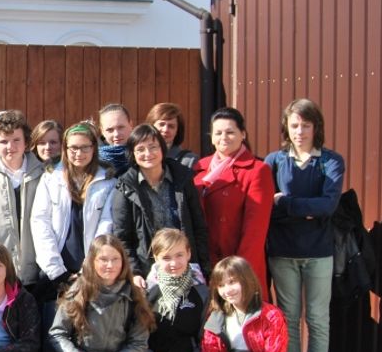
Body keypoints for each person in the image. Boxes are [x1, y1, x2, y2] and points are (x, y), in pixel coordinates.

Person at [264, 98, 344, 352]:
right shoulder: (274, 161)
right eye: (294, 125)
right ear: (286, 127)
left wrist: (286, 203)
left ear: (316, 127)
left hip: (319, 253)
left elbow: (328, 206)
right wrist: (300, 209)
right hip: (283, 251)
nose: (299, 131)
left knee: (318, 319)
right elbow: (268, 207)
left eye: (306, 125)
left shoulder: (330, 161)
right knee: (287, 319)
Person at [112, 124, 210, 284]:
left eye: (153, 147)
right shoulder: (125, 187)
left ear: (162, 149)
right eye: (140, 149)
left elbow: (199, 227)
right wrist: (134, 272)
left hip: (186, 267)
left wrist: (205, 269)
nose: (148, 154)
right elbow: (122, 237)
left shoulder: (182, 178)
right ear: (132, 154)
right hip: (149, 273)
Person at [31, 122, 116, 298]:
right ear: (65, 148)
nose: (79, 153)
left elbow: (106, 224)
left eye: (85, 148)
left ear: (94, 148)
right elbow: (40, 222)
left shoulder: (107, 181)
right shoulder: (51, 178)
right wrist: (57, 271)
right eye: (74, 148)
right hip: (55, 270)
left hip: (91, 269)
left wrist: (91, 265)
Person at [193, 107, 273, 292]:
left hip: (238, 261)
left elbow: (256, 229)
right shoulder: (199, 168)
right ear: (211, 137)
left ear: (243, 134)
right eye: (218, 133)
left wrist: (240, 268)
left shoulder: (257, 170)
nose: (224, 137)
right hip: (206, 261)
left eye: (230, 132)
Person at [0, 110, 45, 293]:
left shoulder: (43, 174)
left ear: (26, 142)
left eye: (16, 140)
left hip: (38, 271)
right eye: (3, 141)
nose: (10, 146)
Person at [146, 103, 198, 169]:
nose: (165, 130)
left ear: (177, 131)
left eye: (171, 126)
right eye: (161, 124)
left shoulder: (189, 161)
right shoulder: (140, 157)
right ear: (150, 126)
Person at [97, 103, 134, 177]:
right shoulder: (92, 160)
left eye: (121, 127)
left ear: (131, 125)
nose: (116, 134)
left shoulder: (143, 156)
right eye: (110, 130)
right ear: (102, 131)